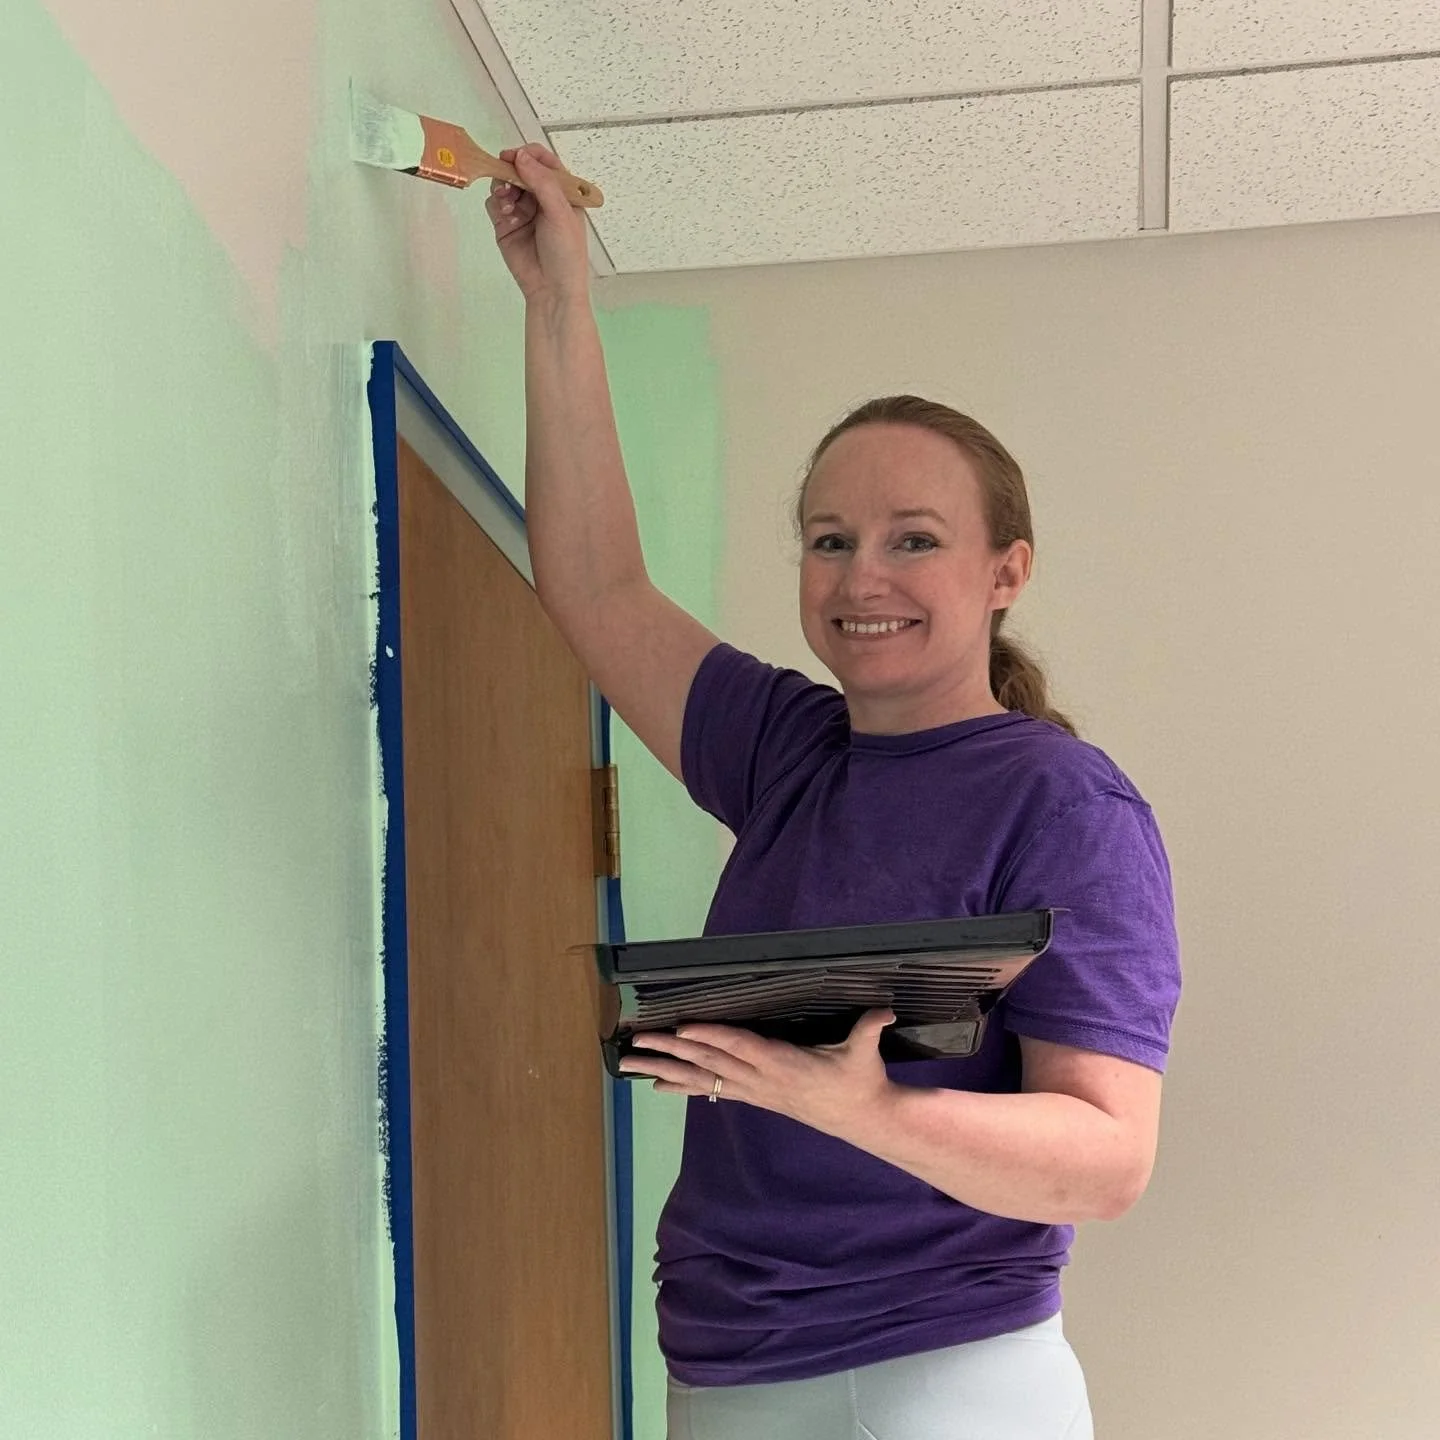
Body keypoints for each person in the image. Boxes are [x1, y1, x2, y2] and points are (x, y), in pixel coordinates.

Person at [487, 145, 1181, 1440]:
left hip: (948, 1369)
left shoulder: (1067, 808)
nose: (863, 577)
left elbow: (1109, 1157)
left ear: (1004, 570)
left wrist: (862, 1106)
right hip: (727, 1360)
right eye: (829, 540)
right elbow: (595, 589)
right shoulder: (786, 749)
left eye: (914, 539)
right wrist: (560, 303)